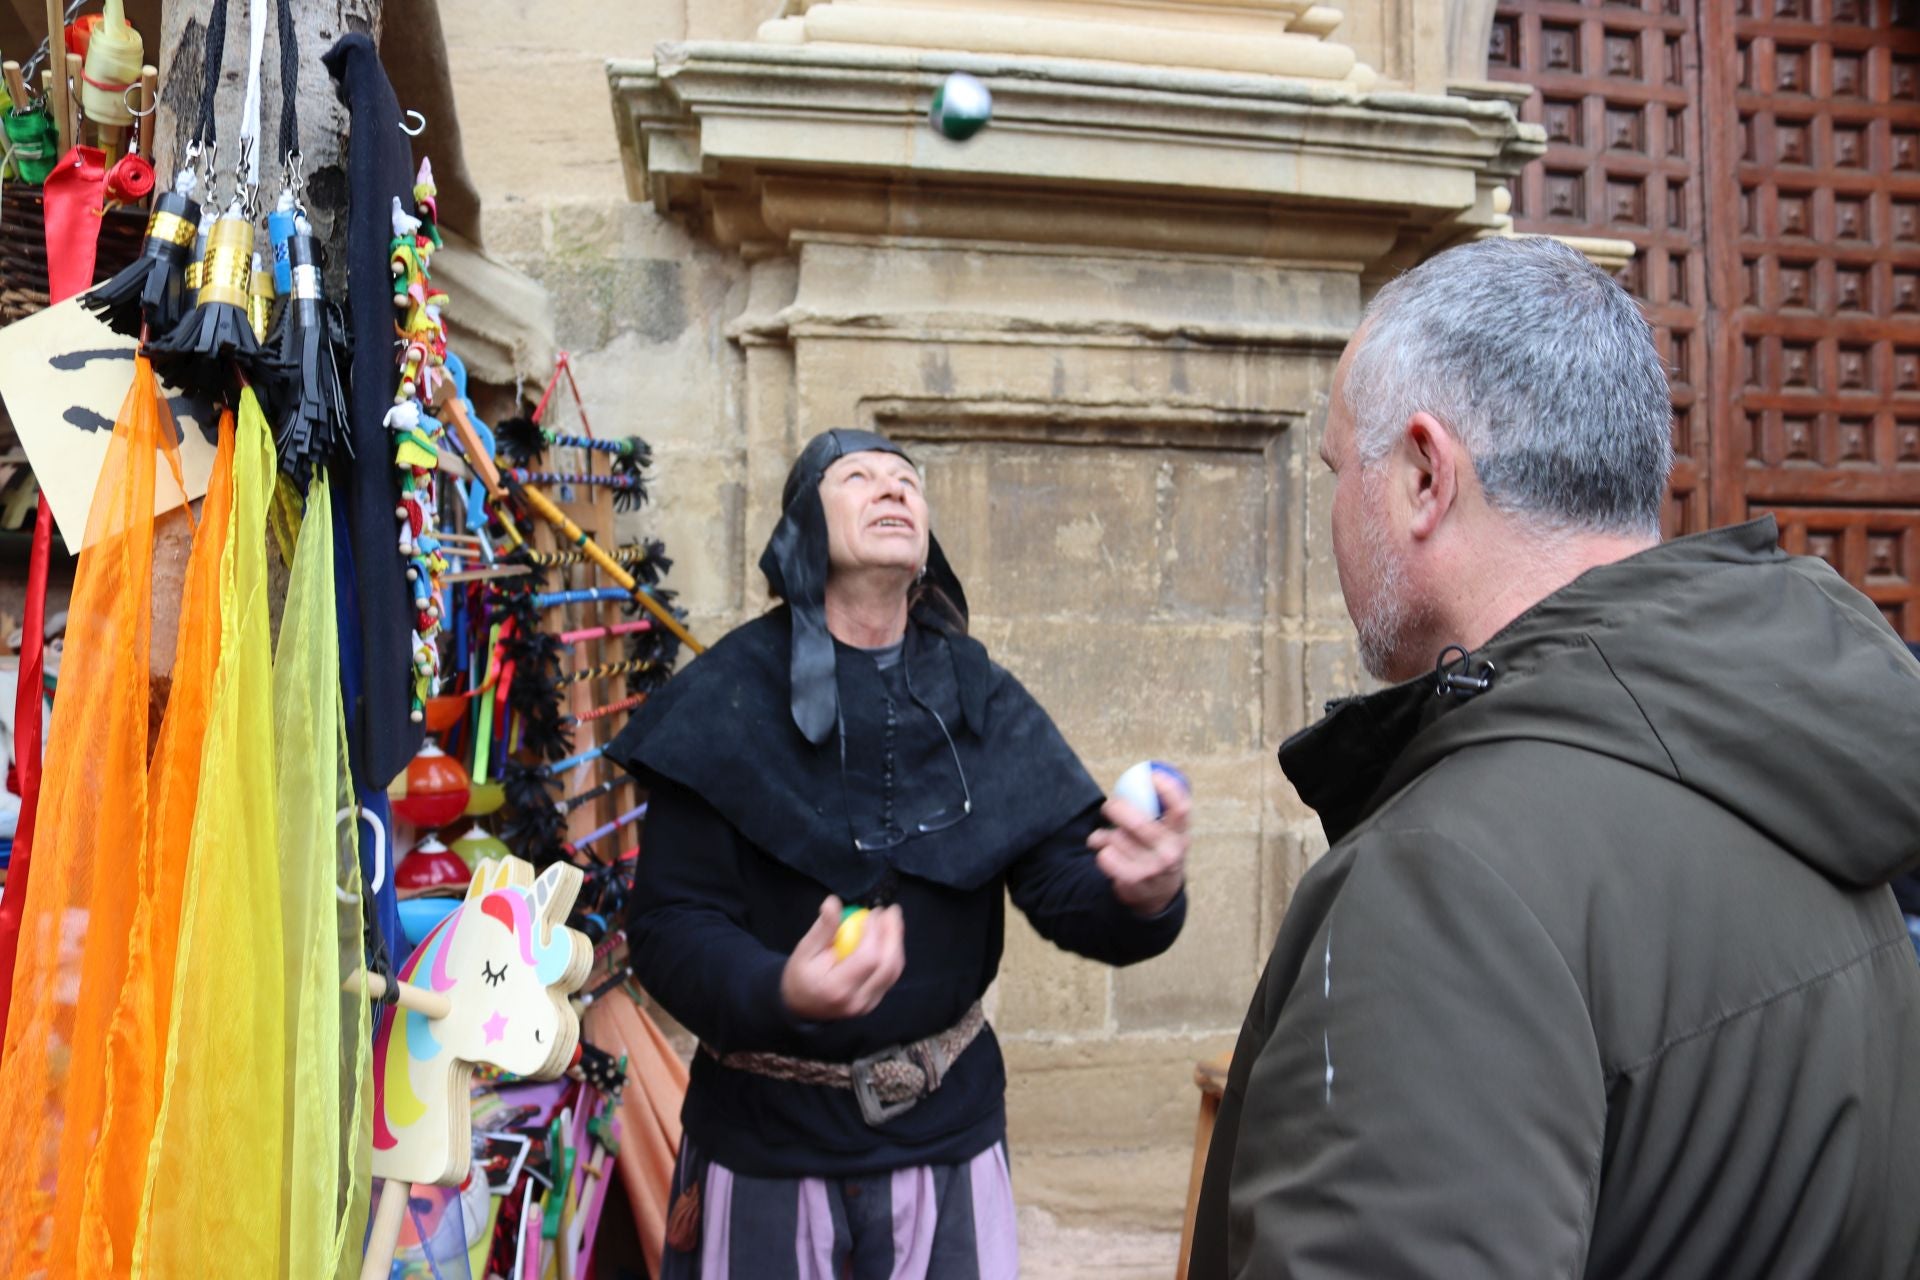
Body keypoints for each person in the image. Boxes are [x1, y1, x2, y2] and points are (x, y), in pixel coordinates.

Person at [1190, 236, 1920, 1278]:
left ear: (1424, 476)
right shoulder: (1813, 763)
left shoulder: (1445, 877)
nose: (1337, 512)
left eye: (1339, 469)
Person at [612, 429, 1190, 1278]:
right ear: (803, 534)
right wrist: (781, 988)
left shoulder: (980, 695)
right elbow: (667, 925)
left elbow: (1065, 883)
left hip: (946, 1144)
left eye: (907, 482)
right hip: (770, 1148)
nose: (892, 490)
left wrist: (1143, 893)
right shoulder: (723, 701)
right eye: (857, 478)